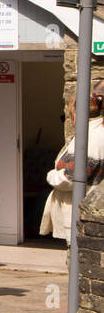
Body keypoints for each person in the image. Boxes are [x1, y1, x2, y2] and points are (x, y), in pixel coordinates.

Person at [42, 83, 104, 240]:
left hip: (79, 216)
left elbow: (70, 178)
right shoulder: (92, 133)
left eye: (69, 115)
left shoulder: (91, 137)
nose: (70, 119)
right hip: (80, 214)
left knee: (77, 261)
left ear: (77, 113)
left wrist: (51, 175)